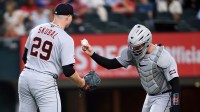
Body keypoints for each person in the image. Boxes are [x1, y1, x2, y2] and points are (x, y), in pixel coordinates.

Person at [82, 24, 180, 112]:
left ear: (147, 42)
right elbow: (110, 64)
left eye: (137, 47)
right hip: (149, 96)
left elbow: (175, 83)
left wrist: (175, 105)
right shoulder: (133, 54)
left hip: (164, 96)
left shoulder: (163, 56)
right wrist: (92, 54)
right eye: (132, 46)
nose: (133, 50)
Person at [18, 3, 88, 112]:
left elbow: (24, 57)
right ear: (68, 17)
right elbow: (68, 71)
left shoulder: (37, 28)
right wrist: (82, 83)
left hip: (25, 77)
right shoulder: (66, 38)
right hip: (44, 81)